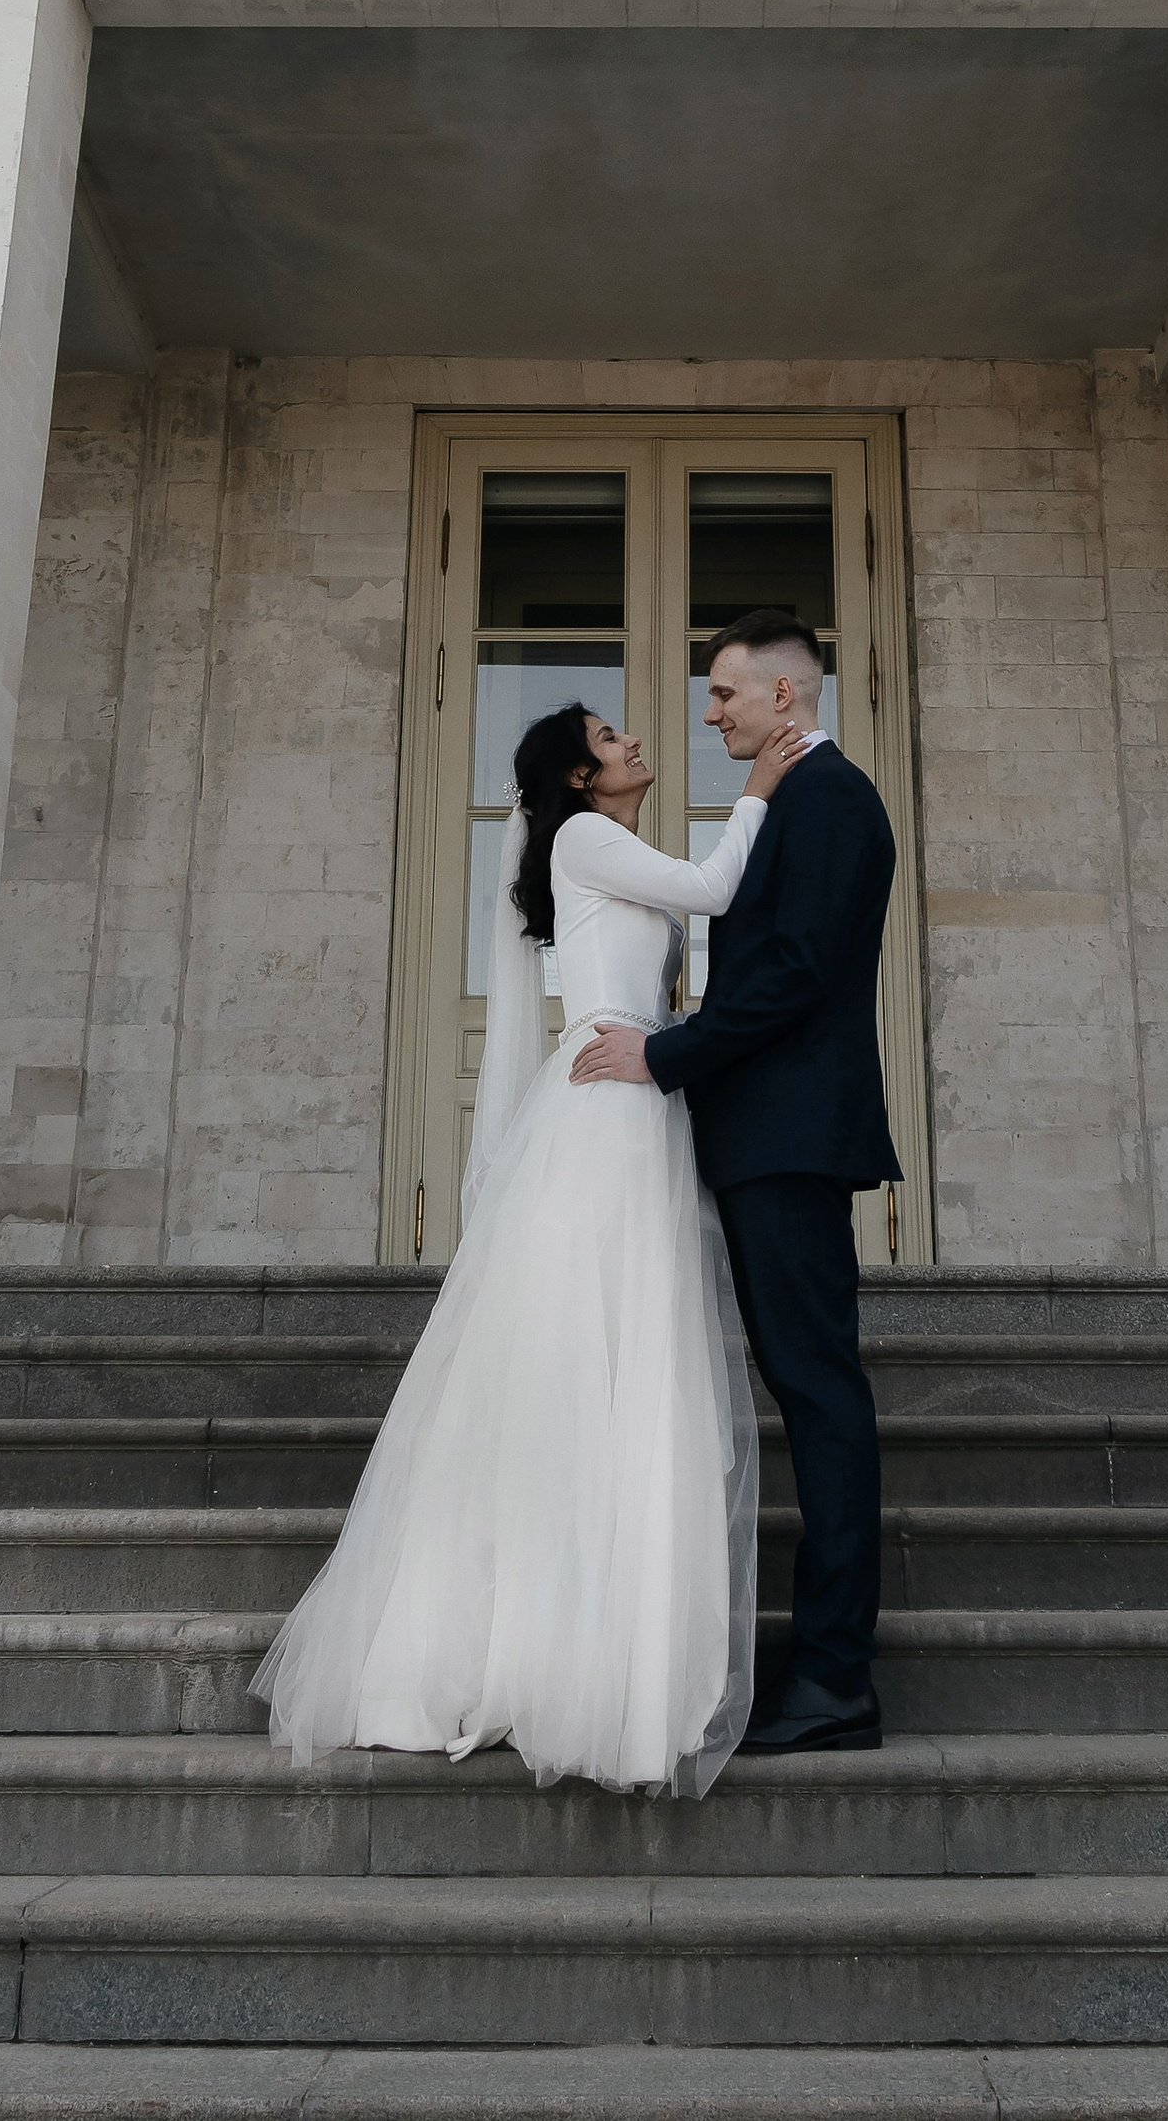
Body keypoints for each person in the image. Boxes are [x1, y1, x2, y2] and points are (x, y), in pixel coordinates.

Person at [253, 694, 804, 1795]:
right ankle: (564, 1655)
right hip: (606, 1107)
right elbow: (713, 888)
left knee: (615, 1355)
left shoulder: (606, 840)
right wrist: (756, 791)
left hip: (636, 1094)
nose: (636, 741)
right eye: (611, 737)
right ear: (576, 776)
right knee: (598, 1351)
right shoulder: (590, 838)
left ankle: (599, 1653)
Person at [571, 605, 901, 1758]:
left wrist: (664, 1054)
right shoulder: (795, 799)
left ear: (784, 698)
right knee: (807, 1389)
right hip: (762, 1133)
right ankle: (820, 1667)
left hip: (791, 1136)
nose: (708, 710)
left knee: (818, 1393)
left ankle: (834, 1678)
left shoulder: (827, 798)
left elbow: (795, 975)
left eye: (722, 692)